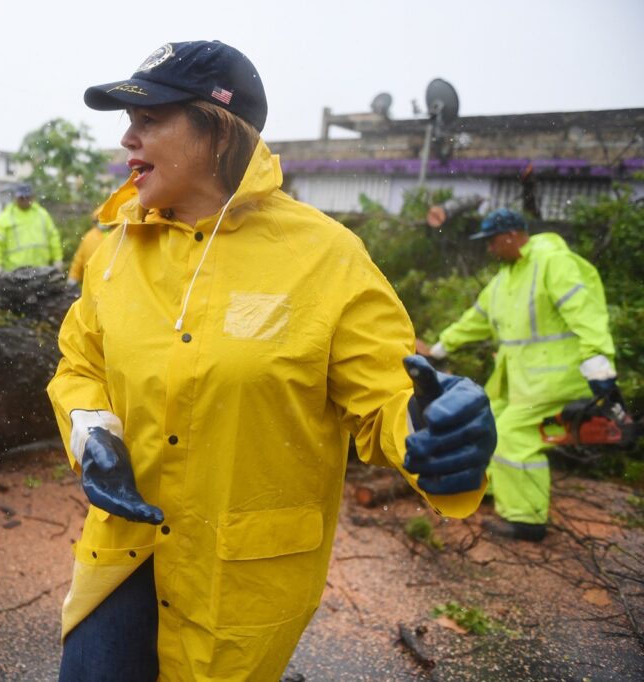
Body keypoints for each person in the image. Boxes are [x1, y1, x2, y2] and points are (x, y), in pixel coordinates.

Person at [46, 40, 496, 680]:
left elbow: (387, 397)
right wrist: (94, 431)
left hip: (237, 584)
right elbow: (79, 365)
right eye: (128, 122)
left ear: (217, 129)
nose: (127, 138)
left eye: (149, 120)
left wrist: (431, 432)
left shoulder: (325, 257)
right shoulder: (116, 251)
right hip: (122, 556)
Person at [417, 208, 618, 542]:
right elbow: (474, 320)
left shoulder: (553, 263)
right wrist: (439, 348)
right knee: (489, 424)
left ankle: (527, 521)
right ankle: (495, 492)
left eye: (493, 241)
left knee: (512, 437)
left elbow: (586, 313)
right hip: (522, 381)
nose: (490, 249)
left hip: (556, 379)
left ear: (511, 235)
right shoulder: (504, 280)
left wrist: (599, 360)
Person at [0, 183, 62, 271]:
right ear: (16, 198)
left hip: (41, 271)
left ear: (33, 197)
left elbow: (53, 238)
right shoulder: (5, 218)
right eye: (21, 198)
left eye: (27, 197)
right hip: (14, 274)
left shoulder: (42, 214)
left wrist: (58, 259)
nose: (24, 200)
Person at [67, 218, 111, 285]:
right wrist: (73, 276)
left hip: (110, 280)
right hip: (91, 281)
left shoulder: (118, 234)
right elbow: (79, 258)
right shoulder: (89, 236)